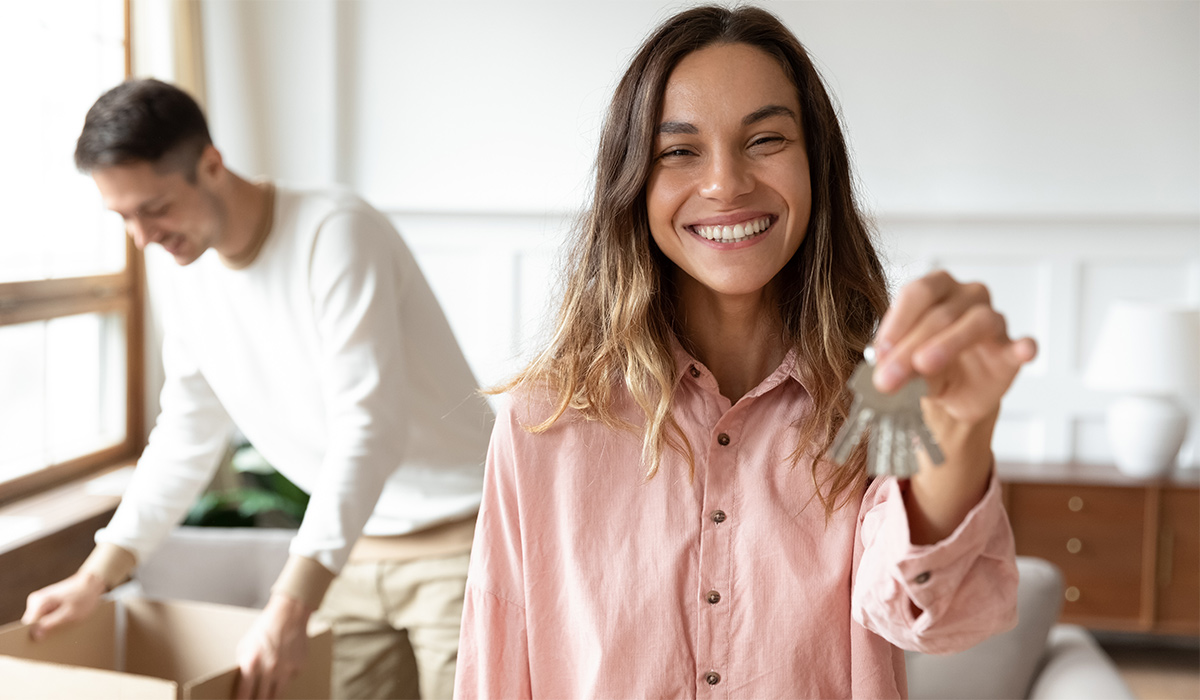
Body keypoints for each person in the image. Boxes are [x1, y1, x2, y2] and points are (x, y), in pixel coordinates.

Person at [454, 6, 1038, 698]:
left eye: (765, 140)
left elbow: (937, 616)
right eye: (679, 151)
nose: (726, 183)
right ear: (633, 182)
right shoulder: (541, 419)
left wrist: (961, 430)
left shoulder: (878, 402)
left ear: (815, 165)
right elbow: (496, 666)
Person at [22, 78, 493, 700]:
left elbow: (368, 429)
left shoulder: (335, 232)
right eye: (124, 217)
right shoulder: (185, 270)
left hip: (461, 546)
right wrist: (96, 576)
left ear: (211, 165)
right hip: (350, 553)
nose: (142, 236)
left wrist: (290, 605)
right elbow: (185, 435)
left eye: (155, 208)